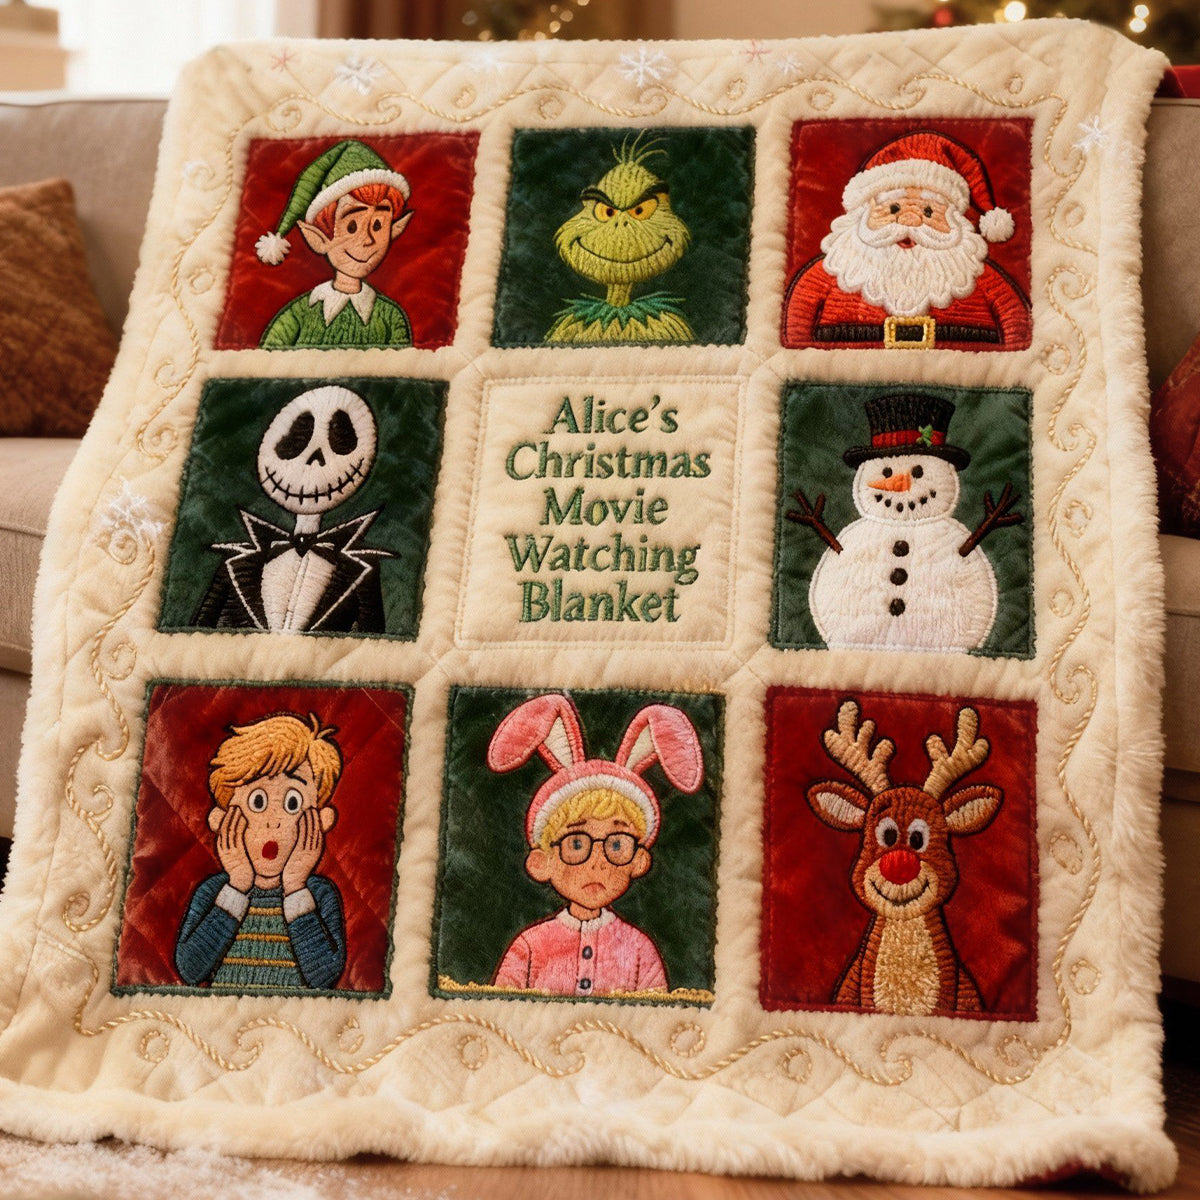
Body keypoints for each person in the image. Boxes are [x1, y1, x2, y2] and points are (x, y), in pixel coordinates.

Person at [487, 693, 703, 997]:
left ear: (639, 860)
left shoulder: (639, 951)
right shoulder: (530, 947)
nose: (597, 862)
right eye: (576, 843)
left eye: (616, 845)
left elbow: (658, 1011)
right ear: (541, 862)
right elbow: (500, 1004)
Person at [783, 130, 1031, 350]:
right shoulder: (833, 273)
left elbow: (1015, 323)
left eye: (928, 212)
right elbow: (797, 324)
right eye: (893, 209)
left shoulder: (978, 278)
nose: (910, 221)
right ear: (863, 212)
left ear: (955, 220)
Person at [174, 712, 346, 992]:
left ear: (320, 819)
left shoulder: (318, 895)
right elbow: (191, 969)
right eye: (258, 801)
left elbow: (324, 977)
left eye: (292, 803)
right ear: (221, 819)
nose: (273, 821)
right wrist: (237, 886)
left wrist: (296, 887)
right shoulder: (215, 892)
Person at [255, 139, 414, 348]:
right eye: (352, 227)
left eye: (378, 226)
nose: (368, 240)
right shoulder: (299, 315)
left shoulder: (390, 318)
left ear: (394, 230)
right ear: (318, 238)